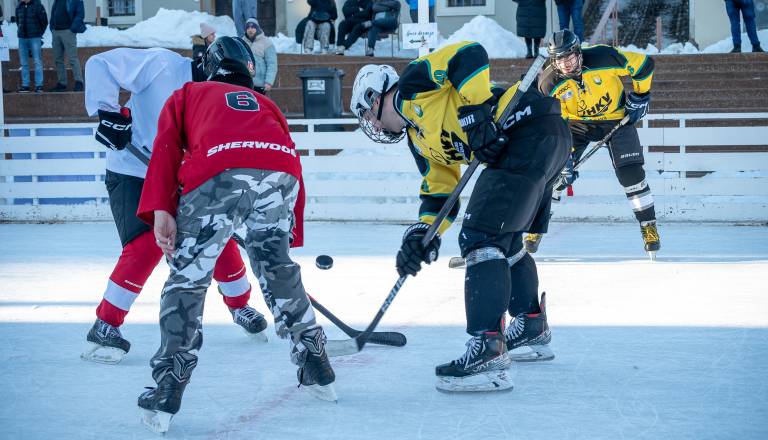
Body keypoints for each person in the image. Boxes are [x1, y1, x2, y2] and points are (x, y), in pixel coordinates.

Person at [136, 37, 335, 434]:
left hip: (218, 173)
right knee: (276, 268)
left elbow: (166, 147)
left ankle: (168, 383)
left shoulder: (190, 92)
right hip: (279, 177)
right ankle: (314, 360)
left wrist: (161, 207)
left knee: (188, 279)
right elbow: (288, 155)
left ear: (209, 66)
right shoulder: (265, 103)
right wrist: (287, 233)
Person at [350, 41, 570, 392]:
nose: (372, 124)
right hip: (542, 138)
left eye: (367, 113)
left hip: (528, 125)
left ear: (375, 98)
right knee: (505, 239)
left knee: (479, 237)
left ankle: (487, 350)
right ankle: (530, 325)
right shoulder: (418, 140)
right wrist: (422, 235)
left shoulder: (412, 83)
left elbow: (470, 54)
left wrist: (478, 113)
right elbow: (440, 188)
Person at [81, 45, 269, 365]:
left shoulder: (216, 100)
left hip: (177, 175)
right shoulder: (160, 66)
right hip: (133, 172)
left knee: (216, 235)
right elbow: (100, 64)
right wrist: (107, 110)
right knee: (147, 244)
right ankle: (105, 324)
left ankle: (239, 305)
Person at [536, 30, 661, 258]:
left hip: (616, 118)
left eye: (569, 57)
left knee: (631, 174)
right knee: (555, 174)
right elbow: (555, 120)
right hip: (576, 125)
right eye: (559, 59)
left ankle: (648, 226)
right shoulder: (548, 82)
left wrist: (641, 96)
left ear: (579, 53)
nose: (565, 64)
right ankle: (535, 225)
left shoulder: (603, 57)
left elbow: (644, 64)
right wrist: (566, 156)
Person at [48, 0, 86, 92]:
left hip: (68, 31)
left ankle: (79, 82)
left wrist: (72, 28)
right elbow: (53, 13)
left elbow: (80, 14)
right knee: (58, 59)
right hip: (56, 32)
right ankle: (62, 83)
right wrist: (52, 27)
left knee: (73, 58)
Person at [14, 0, 47, 93]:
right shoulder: (19, 7)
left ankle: (39, 85)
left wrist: (38, 33)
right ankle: (25, 85)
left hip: (34, 38)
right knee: (23, 62)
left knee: (37, 61)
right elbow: (18, 21)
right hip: (22, 38)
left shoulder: (38, 5)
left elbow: (44, 21)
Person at [241, 18, 277, 95]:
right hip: (245, 83)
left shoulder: (267, 43)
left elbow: (272, 64)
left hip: (260, 84)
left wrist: (269, 82)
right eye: (248, 27)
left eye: (253, 27)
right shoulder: (241, 42)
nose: (250, 30)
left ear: (257, 28)